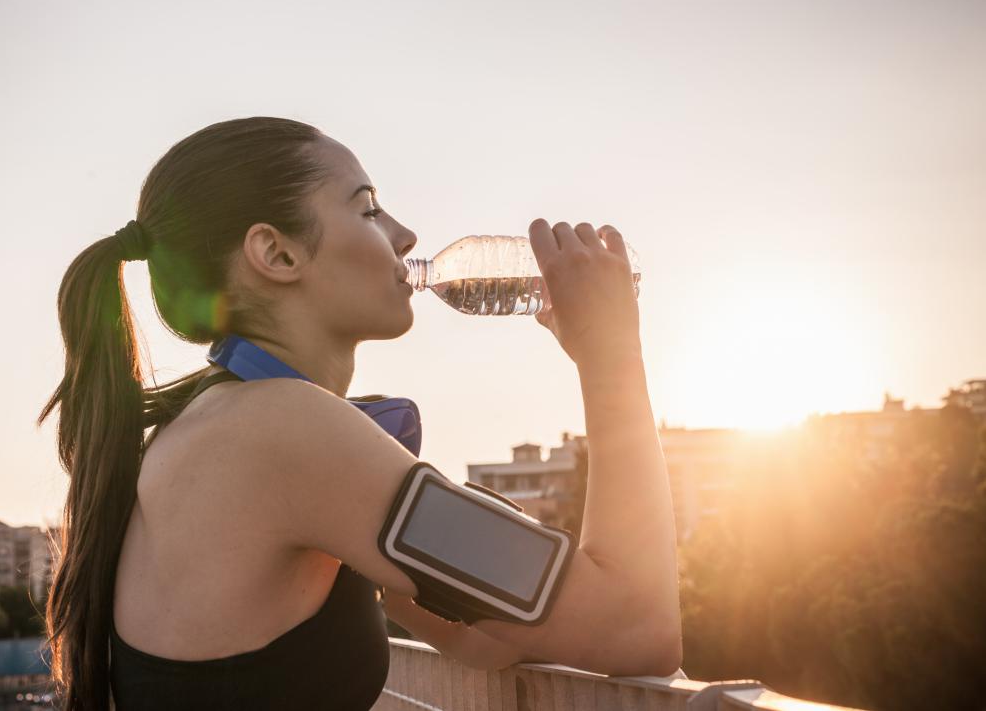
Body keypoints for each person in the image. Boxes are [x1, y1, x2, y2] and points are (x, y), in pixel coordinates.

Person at [38, 117, 681, 710]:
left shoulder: (224, 425)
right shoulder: (281, 430)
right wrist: (612, 360)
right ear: (278, 254)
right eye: (368, 208)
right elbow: (637, 629)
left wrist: (496, 542)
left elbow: (489, 640)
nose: (405, 236)